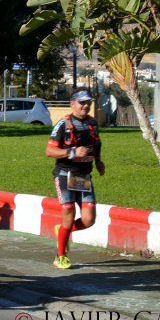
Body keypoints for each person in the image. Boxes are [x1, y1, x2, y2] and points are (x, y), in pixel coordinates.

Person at [45, 88, 105, 270]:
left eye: (88, 102)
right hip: (65, 174)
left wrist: (99, 162)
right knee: (69, 212)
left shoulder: (93, 123)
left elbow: (97, 144)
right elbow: (49, 151)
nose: (85, 106)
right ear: (72, 104)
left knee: (88, 220)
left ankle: (63, 230)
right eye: (82, 102)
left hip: (83, 176)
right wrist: (72, 152)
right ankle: (60, 256)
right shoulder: (63, 124)